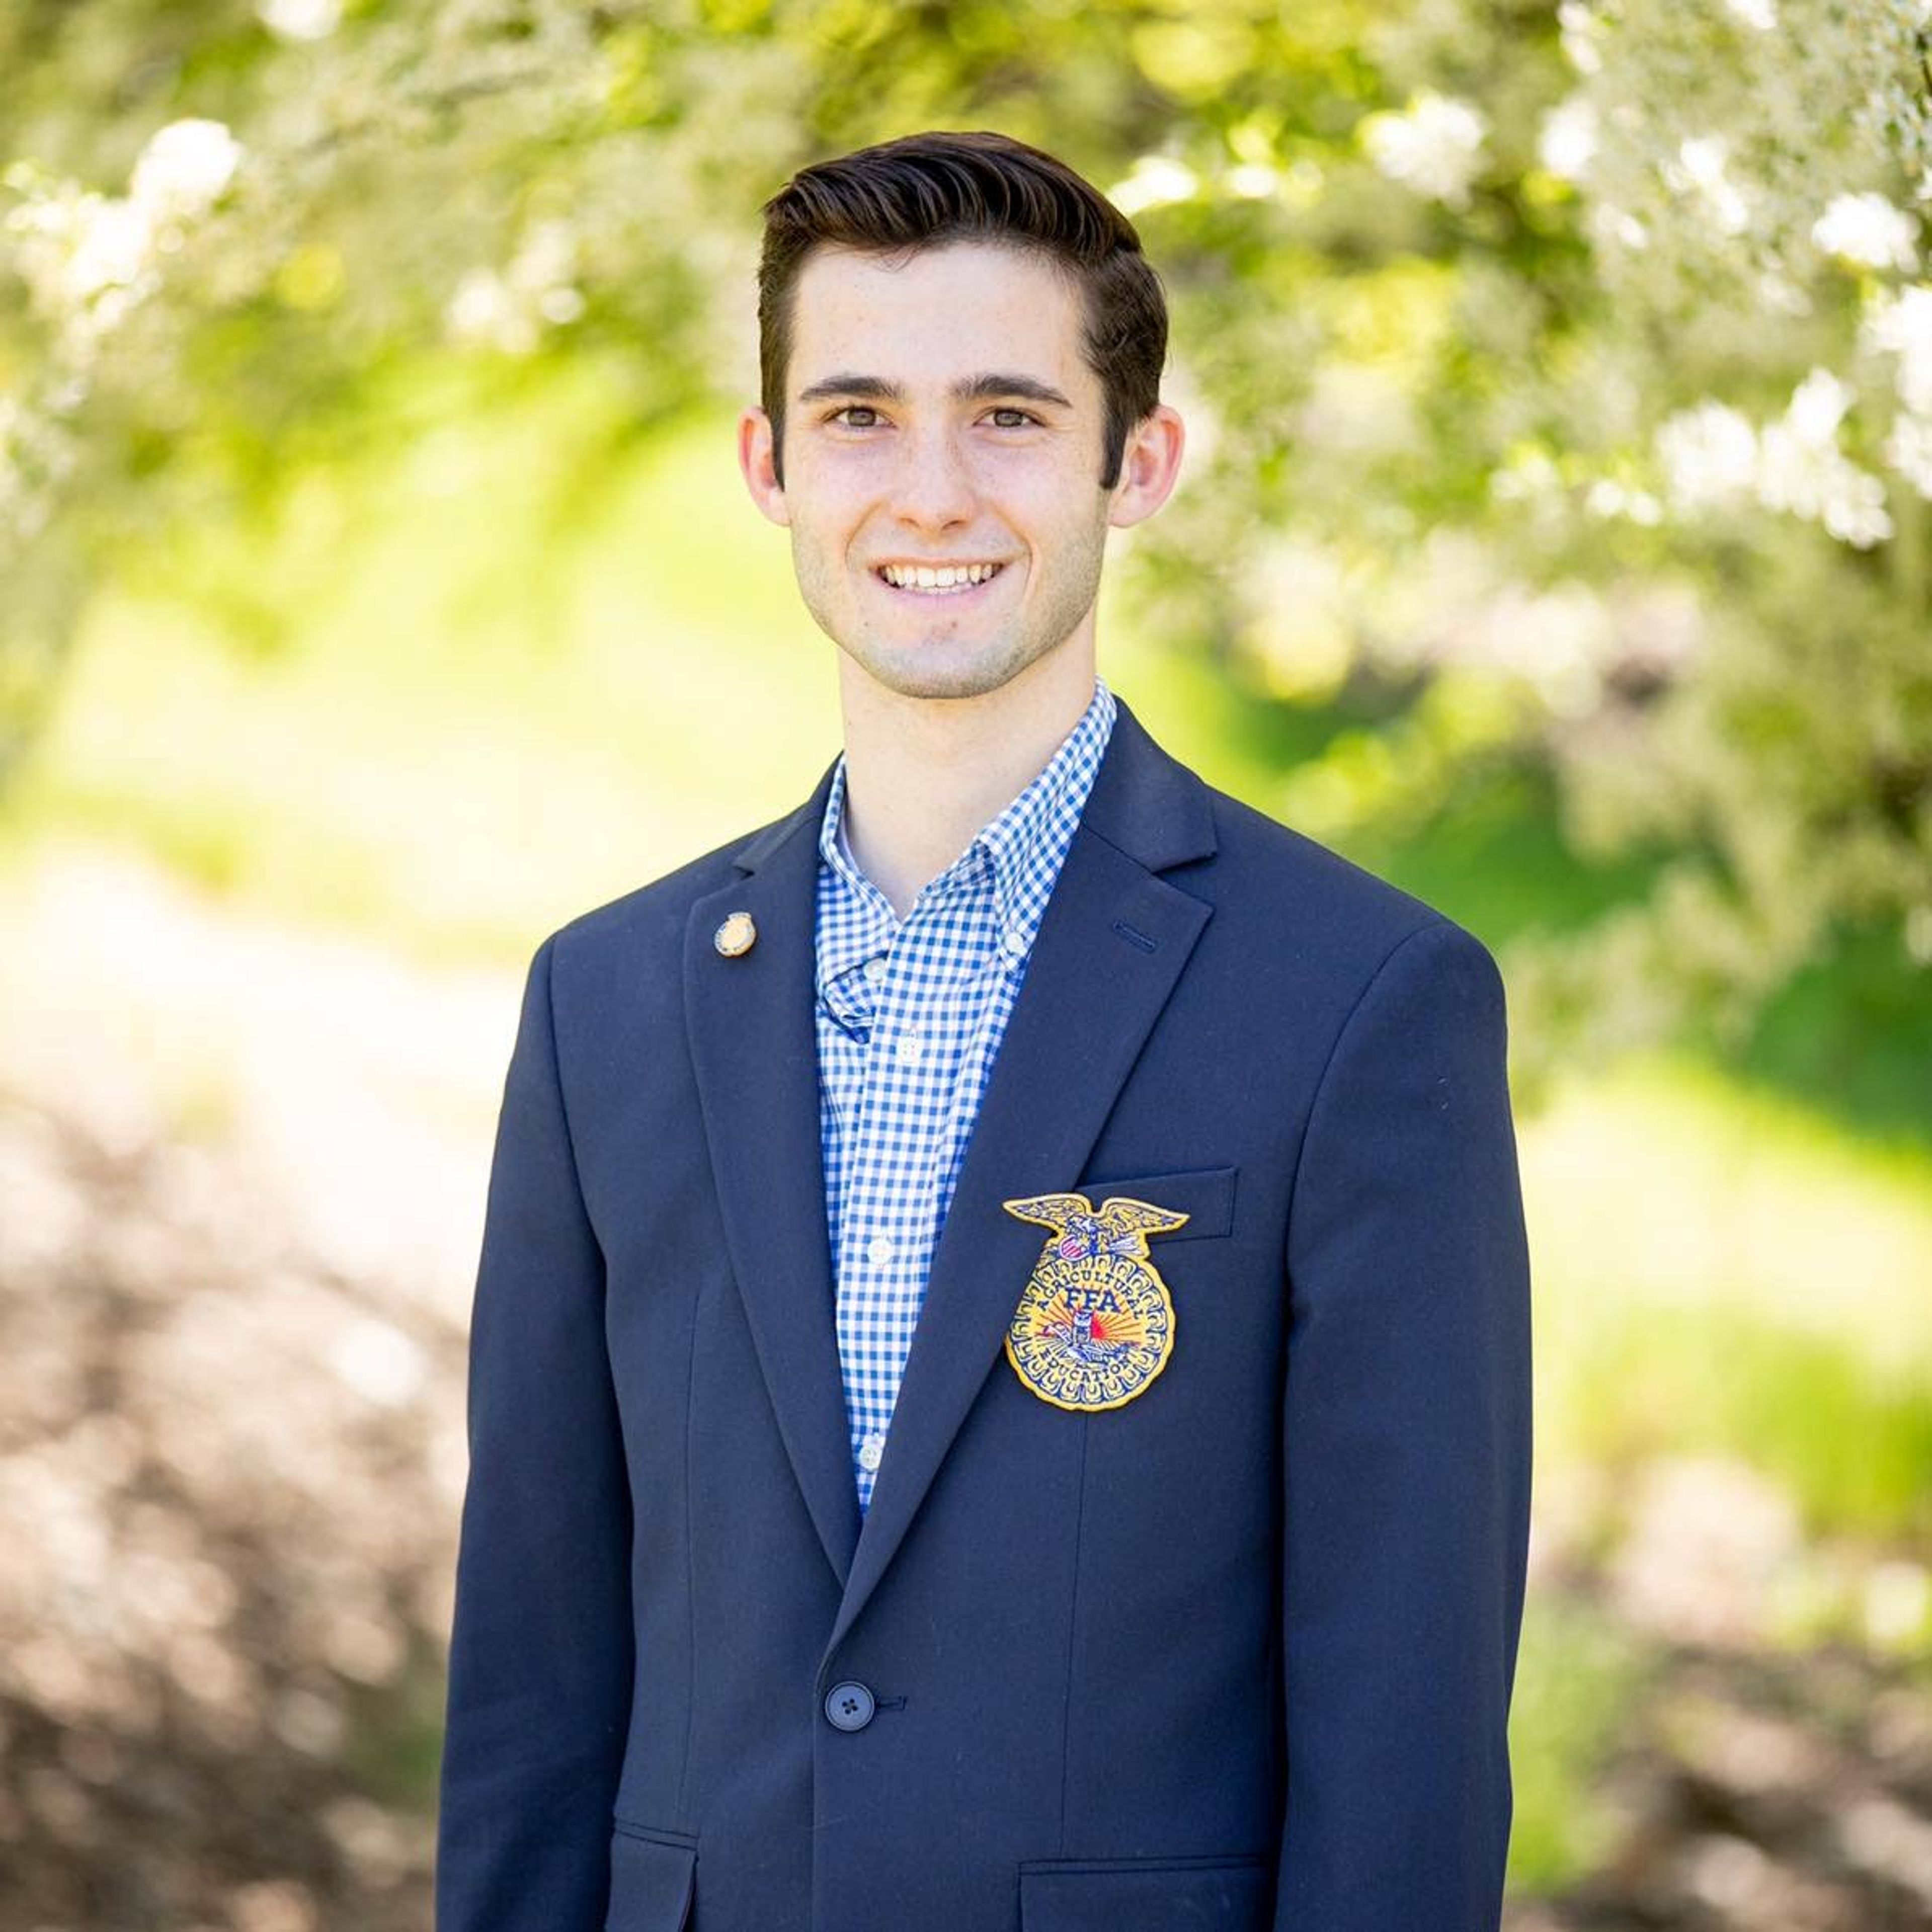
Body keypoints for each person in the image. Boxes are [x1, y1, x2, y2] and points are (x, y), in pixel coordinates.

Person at [435, 129, 1533, 1932]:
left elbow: (1402, 1730)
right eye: (859, 414)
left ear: (1140, 462)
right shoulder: (605, 1003)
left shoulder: (1362, 1004)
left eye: (1010, 416)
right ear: (770, 463)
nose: (929, 491)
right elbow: (536, 1680)